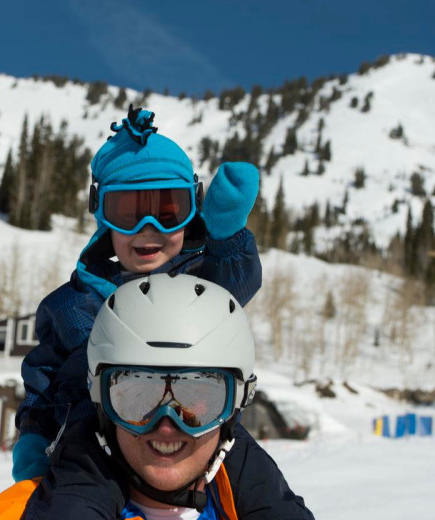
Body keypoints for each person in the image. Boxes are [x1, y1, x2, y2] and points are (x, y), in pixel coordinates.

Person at [13, 105, 262, 483]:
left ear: (190, 211)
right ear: (102, 217)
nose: (147, 229)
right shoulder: (72, 305)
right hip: (96, 451)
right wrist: (34, 435)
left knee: (264, 492)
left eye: (167, 211)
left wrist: (226, 236)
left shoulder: (201, 286)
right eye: (128, 213)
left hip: (198, 439)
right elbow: (43, 378)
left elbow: (237, 281)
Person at [0, 274, 313, 519]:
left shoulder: (259, 502)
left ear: (235, 408)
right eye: (138, 395)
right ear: (101, 402)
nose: (167, 424)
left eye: (197, 399)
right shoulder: (23, 513)